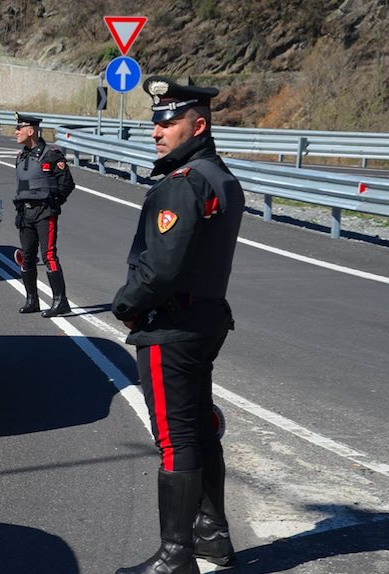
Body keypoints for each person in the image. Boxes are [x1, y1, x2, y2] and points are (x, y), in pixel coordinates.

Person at [111, 76, 245, 574]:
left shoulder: (183, 184)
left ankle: (175, 556)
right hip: (205, 320)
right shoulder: (219, 176)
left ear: (198, 125)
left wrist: (126, 303)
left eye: (168, 121)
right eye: (155, 121)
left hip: (172, 327)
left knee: (175, 438)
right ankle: (212, 536)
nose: (157, 130)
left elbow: (160, 268)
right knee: (198, 431)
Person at [13, 113, 75, 318]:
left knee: (48, 255)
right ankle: (32, 300)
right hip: (25, 214)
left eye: (19, 128)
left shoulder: (52, 155)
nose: (16, 132)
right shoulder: (21, 156)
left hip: (44, 212)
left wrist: (53, 203)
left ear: (30, 131)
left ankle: (60, 301)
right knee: (27, 257)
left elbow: (67, 184)